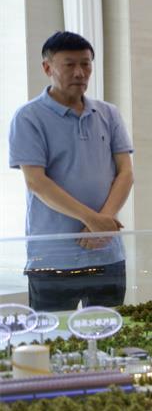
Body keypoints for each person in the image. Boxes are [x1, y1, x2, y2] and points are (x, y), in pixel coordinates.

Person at [9, 31, 134, 310]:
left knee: (109, 329)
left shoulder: (108, 113)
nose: (80, 72)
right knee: (54, 333)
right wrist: (93, 221)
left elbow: (125, 173)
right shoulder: (28, 117)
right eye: (69, 65)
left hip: (107, 254)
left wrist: (101, 223)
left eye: (86, 64)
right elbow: (36, 182)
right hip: (52, 259)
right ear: (47, 68)